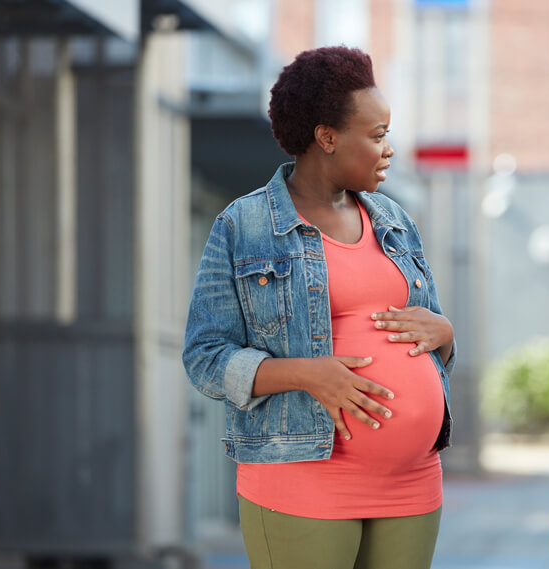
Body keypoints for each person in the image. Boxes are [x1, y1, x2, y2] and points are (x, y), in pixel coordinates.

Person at [182, 46, 455, 569]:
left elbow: (431, 332)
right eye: (376, 136)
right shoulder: (244, 226)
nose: (389, 149)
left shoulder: (395, 219)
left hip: (413, 481)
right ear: (326, 137)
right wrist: (306, 374)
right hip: (304, 476)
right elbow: (204, 358)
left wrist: (444, 332)